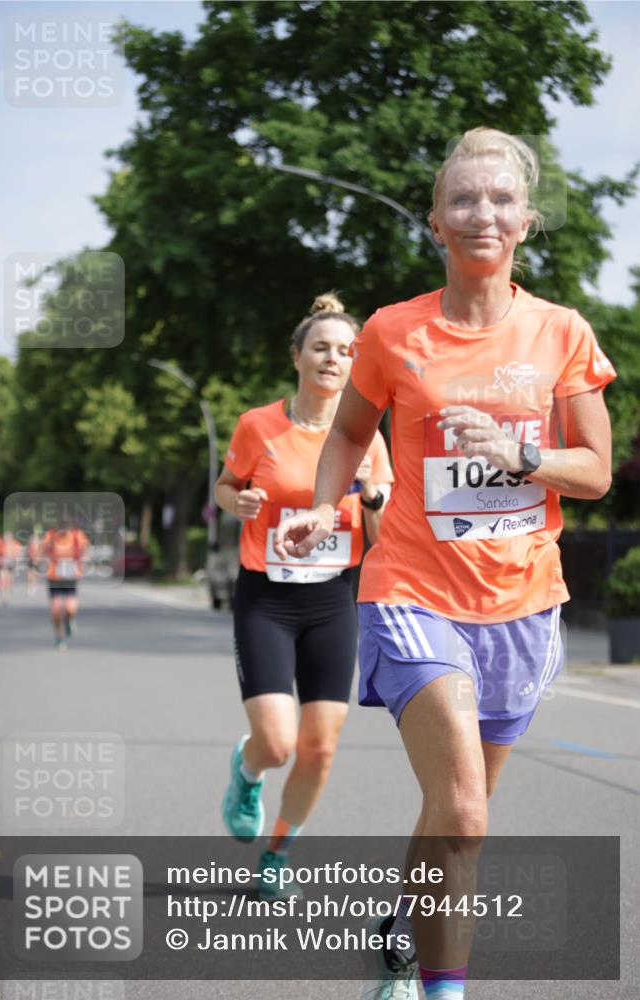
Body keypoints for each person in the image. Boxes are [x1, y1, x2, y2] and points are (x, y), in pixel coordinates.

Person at [274, 129, 615, 1000]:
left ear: (526, 222)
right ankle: (442, 988)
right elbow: (350, 431)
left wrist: (516, 454)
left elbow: (596, 472)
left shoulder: (560, 333)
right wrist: (324, 505)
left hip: (522, 601)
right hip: (412, 592)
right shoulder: (392, 332)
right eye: (462, 199)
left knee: (456, 817)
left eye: (500, 199)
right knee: (461, 811)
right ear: (434, 221)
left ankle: (401, 918)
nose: (481, 214)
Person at [216, 292, 393, 900]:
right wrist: (234, 503)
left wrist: (372, 499)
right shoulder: (257, 425)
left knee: (319, 747)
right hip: (266, 596)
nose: (333, 358)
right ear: (297, 356)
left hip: (332, 600)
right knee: (279, 742)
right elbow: (225, 485)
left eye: (347, 351)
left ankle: (277, 851)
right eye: (321, 347)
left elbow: (383, 531)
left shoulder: (368, 437)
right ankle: (248, 769)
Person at [41, 520, 89, 649]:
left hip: (70, 577)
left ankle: (69, 621)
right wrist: (44, 561)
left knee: (70, 608)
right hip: (54, 577)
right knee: (55, 609)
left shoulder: (77, 536)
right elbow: (42, 552)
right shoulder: (50, 536)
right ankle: (59, 637)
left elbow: (85, 550)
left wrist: (83, 561)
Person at [0, 530, 22, 605]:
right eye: (5, 537)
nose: (7, 538)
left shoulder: (15, 544)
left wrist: (17, 561)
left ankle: (7, 596)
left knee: (8, 580)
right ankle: (3, 596)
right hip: (3, 564)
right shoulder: (1, 544)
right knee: (2, 578)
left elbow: (18, 554)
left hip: (11, 564)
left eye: (8, 537)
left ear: (11, 537)